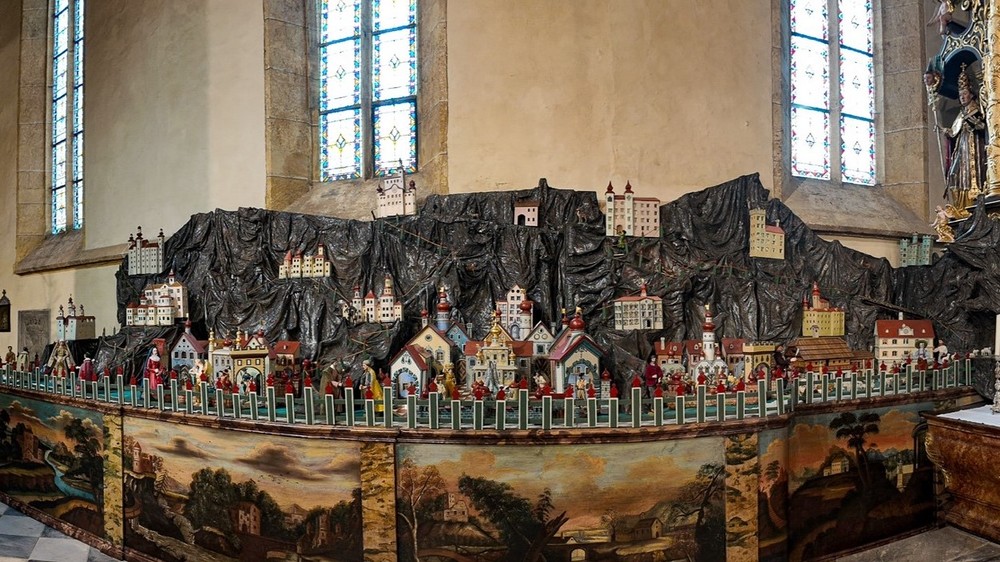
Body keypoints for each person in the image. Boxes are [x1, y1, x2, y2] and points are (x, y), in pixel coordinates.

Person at [944, 65, 986, 215]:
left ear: (971, 94)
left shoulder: (977, 109)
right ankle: (960, 206)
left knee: (973, 173)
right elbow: (954, 131)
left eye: (965, 94)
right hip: (962, 147)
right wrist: (945, 131)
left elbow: (983, 126)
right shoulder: (961, 113)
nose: (962, 97)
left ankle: (975, 202)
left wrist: (975, 123)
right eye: (960, 94)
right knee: (955, 174)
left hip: (974, 146)